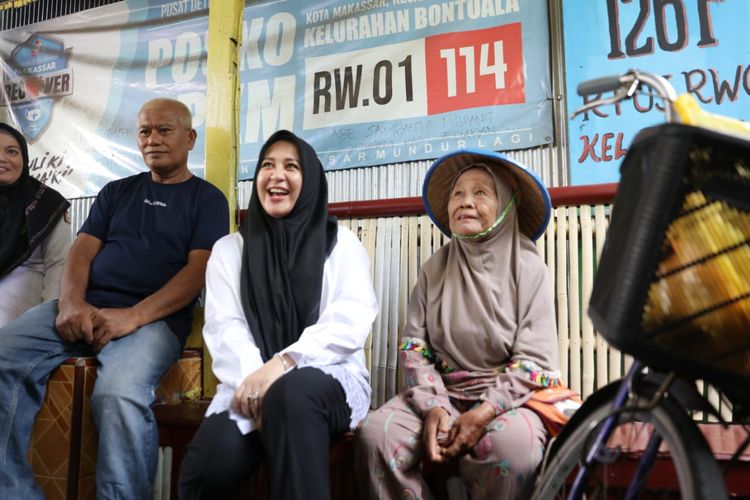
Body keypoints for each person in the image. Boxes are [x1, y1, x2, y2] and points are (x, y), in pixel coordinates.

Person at [0, 98, 229, 499]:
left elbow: (198, 273)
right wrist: (70, 303)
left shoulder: (207, 199)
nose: (152, 139)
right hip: (84, 307)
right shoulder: (116, 192)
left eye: (164, 130)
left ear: (190, 138)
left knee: (117, 395)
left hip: (154, 322)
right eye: (144, 131)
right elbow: (81, 252)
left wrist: (134, 317)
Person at [179, 130, 378, 500]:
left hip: (327, 376)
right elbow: (225, 327)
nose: (276, 175)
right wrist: (258, 379)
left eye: (291, 166)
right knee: (209, 465)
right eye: (267, 165)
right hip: (250, 379)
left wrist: (285, 362)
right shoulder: (230, 251)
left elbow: (348, 323)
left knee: (293, 396)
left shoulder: (342, 245)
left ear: (312, 180)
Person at [355, 149, 559, 499]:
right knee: (377, 434)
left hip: (507, 400)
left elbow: (535, 362)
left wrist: (483, 412)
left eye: (481, 192)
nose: (465, 202)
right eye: (458, 193)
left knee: (512, 448)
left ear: (506, 206)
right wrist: (437, 406)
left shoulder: (530, 269)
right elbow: (414, 349)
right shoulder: (434, 269)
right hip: (441, 392)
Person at [0, 122, 71, 327]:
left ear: (24, 158)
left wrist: (46, 319)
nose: (2, 158)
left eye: (12, 151)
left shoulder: (47, 203)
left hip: (25, 304)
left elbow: (58, 264)